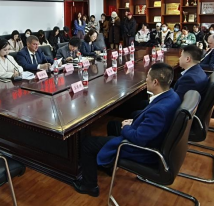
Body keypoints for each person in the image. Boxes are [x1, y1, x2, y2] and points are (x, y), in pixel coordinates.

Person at [73, 63, 182, 197]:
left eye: (147, 77)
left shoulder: (159, 111)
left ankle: (89, 186)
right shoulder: (172, 96)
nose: (145, 79)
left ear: (155, 82)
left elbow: (138, 139)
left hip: (143, 151)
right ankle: (109, 165)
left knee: (87, 144)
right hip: (152, 139)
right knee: (113, 125)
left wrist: (127, 127)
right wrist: (135, 122)